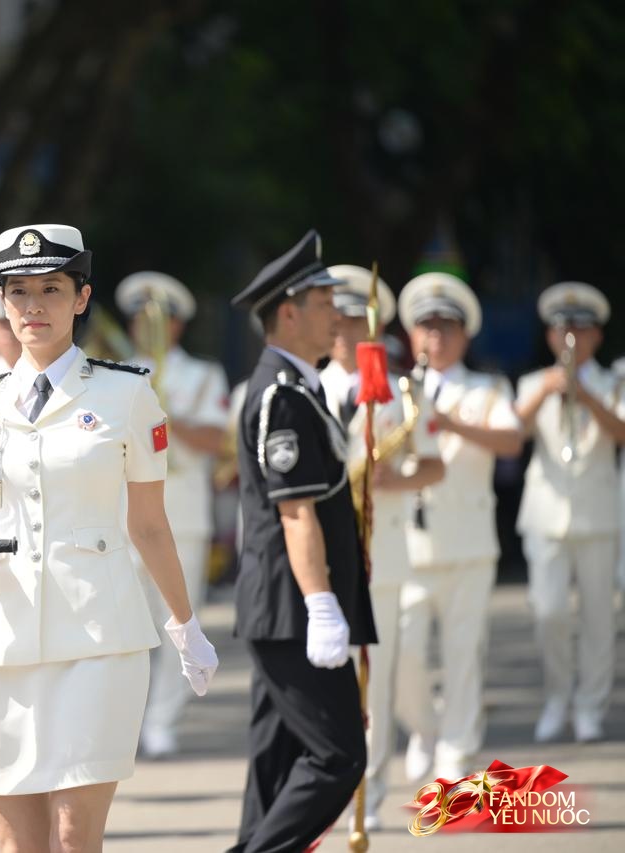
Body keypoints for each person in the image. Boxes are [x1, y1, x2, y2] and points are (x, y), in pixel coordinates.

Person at [0, 223, 217, 852]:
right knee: (17, 841)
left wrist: (184, 624)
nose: (33, 306)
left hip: (98, 635)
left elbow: (148, 523)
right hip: (2, 638)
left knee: (74, 834)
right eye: (18, 291)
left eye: (51, 289)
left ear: (81, 298)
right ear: (2, 302)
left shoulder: (127, 393)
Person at [227, 231, 376, 853]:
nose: (337, 315)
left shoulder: (300, 387)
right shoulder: (281, 396)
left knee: (276, 763)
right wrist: (322, 604)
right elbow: (295, 513)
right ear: (289, 313)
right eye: (324, 303)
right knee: (339, 756)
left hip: (287, 607)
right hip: (294, 608)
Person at [318, 265, 445, 827]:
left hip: (383, 554)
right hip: (323, 555)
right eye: (336, 319)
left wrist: (399, 479)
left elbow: (435, 466)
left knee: (377, 673)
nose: (343, 331)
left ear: (371, 326)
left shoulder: (400, 392)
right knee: (330, 677)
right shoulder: (309, 385)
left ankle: (366, 795)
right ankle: (331, 782)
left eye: (354, 322)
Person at [394, 273, 523, 781]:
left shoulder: (488, 388)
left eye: (446, 327)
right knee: (402, 652)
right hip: (410, 543)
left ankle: (456, 748)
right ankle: (424, 727)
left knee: (463, 653)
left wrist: (450, 423)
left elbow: (511, 442)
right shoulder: (397, 389)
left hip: (468, 542)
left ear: (465, 335)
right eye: (427, 327)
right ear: (412, 335)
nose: (436, 337)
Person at [114, 271, 229, 758]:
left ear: (178, 324)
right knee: (127, 624)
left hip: (182, 513)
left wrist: (163, 415)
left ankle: (162, 721)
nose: (149, 327)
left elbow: (216, 439)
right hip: (124, 515)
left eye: (160, 318)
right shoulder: (113, 374)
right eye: (140, 318)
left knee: (180, 622)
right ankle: (129, 719)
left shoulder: (203, 375)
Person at [514, 282, 624, 743]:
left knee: (599, 617)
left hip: (598, 513)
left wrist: (587, 394)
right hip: (546, 513)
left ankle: (589, 706)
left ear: (597, 335)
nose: (571, 338)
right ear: (550, 336)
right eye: (562, 330)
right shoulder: (532, 383)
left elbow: (621, 433)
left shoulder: (615, 381)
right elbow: (512, 435)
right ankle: (558, 696)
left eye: (580, 329)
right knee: (550, 612)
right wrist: (546, 391)